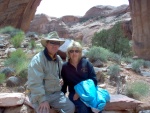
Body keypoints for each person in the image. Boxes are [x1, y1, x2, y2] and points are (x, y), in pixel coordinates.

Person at [27, 31, 75, 113]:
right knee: (44, 111)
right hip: (40, 94)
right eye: (52, 43)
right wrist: (42, 100)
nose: (55, 45)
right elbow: (35, 83)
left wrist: (61, 79)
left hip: (55, 94)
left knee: (70, 108)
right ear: (46, 44)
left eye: (57, 43)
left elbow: (60, 74)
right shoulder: (38, 60)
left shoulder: (58, 59)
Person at [61, 41, 99, 113]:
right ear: (68, 53)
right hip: (73, 93)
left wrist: (80, 92)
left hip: (88, 91)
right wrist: (60, 98)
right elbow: (64, 85)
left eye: (76, 51)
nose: (74, 53)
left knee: (96, 106)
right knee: (82, 107)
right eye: (71, 51)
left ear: (80, 52)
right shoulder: (65, 67)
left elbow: (94, 80)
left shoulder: (86, 63)